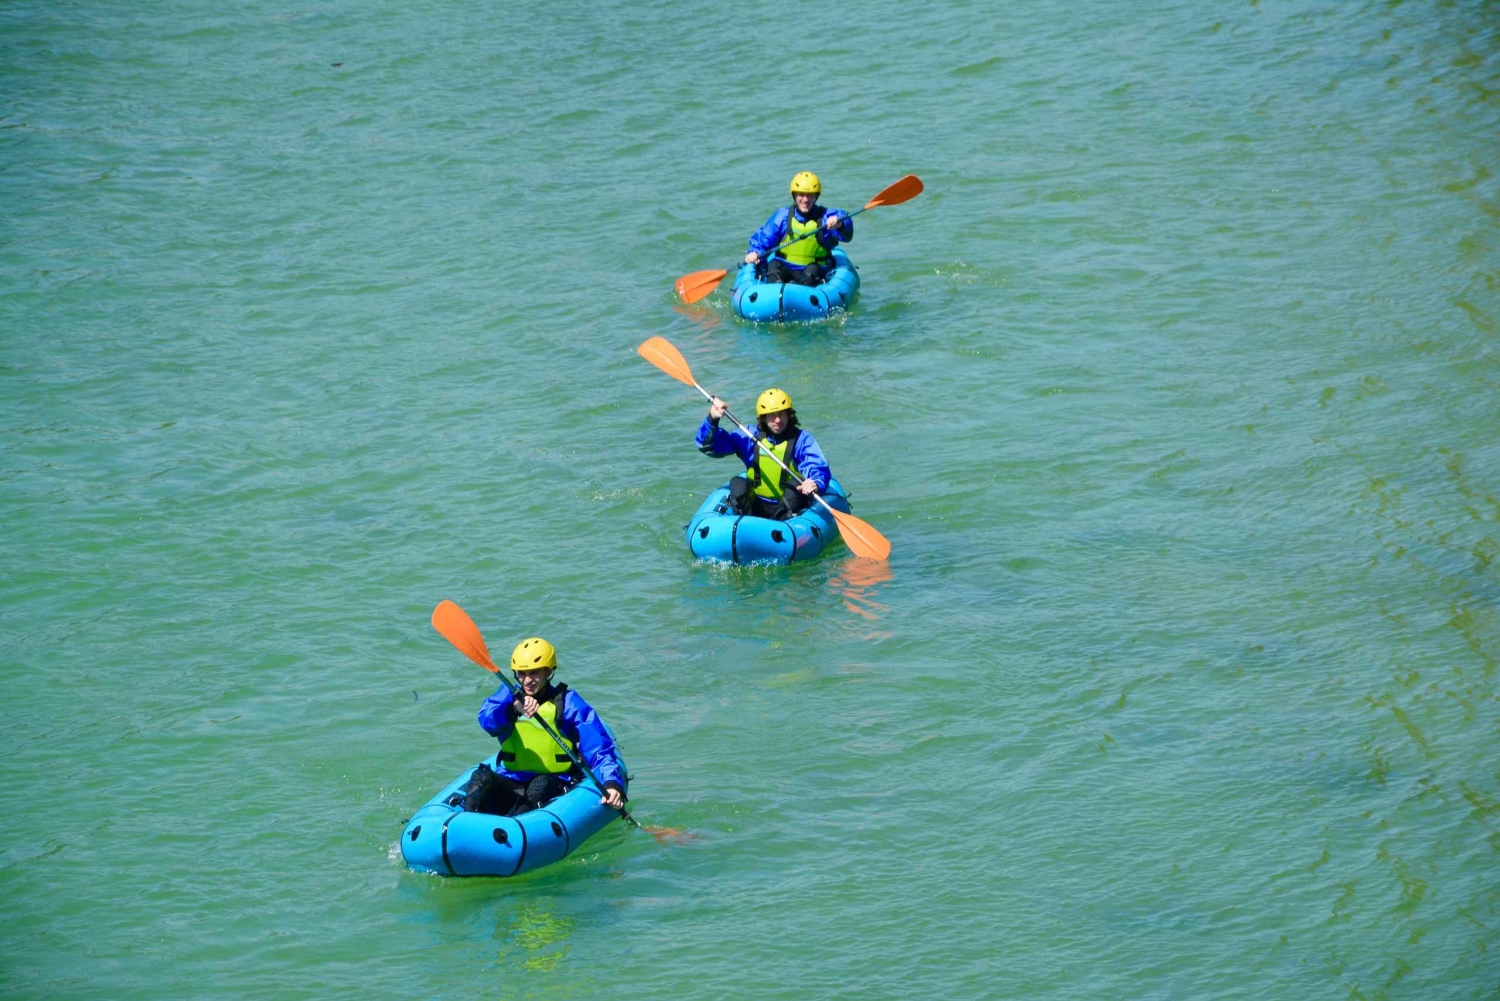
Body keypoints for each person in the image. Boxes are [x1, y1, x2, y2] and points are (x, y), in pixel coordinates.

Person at [458, 637, 627, 817]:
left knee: (541, 783)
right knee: (480, 776)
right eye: (522, 674)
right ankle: (465, 824)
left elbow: (598, 749)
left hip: (555, 780)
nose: (527, 680)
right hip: (512, 780)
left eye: (534, 673)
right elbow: (486, 719)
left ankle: (516, 831)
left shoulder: (568, 703)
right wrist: (514, 709)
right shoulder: (508, 695)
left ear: (549, 671)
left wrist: (611, 783)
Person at [696, 388, 831, 520]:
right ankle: (744, 525)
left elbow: (816, 466)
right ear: (763, 418)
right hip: (757, 504)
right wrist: (713, 419)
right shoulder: (749, 435)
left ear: (789, 414)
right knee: (737, 484)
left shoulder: (802, 440)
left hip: (790, 509)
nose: (778, 420)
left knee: (794, 488)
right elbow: (709, 446)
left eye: (782, 414)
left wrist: (815, 482)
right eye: (772, 415)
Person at [744, 171, 853, 287]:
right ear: (794, 195)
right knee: (773, 266)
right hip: (784, 265)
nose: (805, 200)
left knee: (812, 271)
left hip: (813, 269)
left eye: (810, 195)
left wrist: (839, 224)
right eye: (801, 194)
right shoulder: (782, 217)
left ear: (816, 196)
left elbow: (846, 231)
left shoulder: (826, 217)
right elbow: (763, 238)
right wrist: (755, 252)